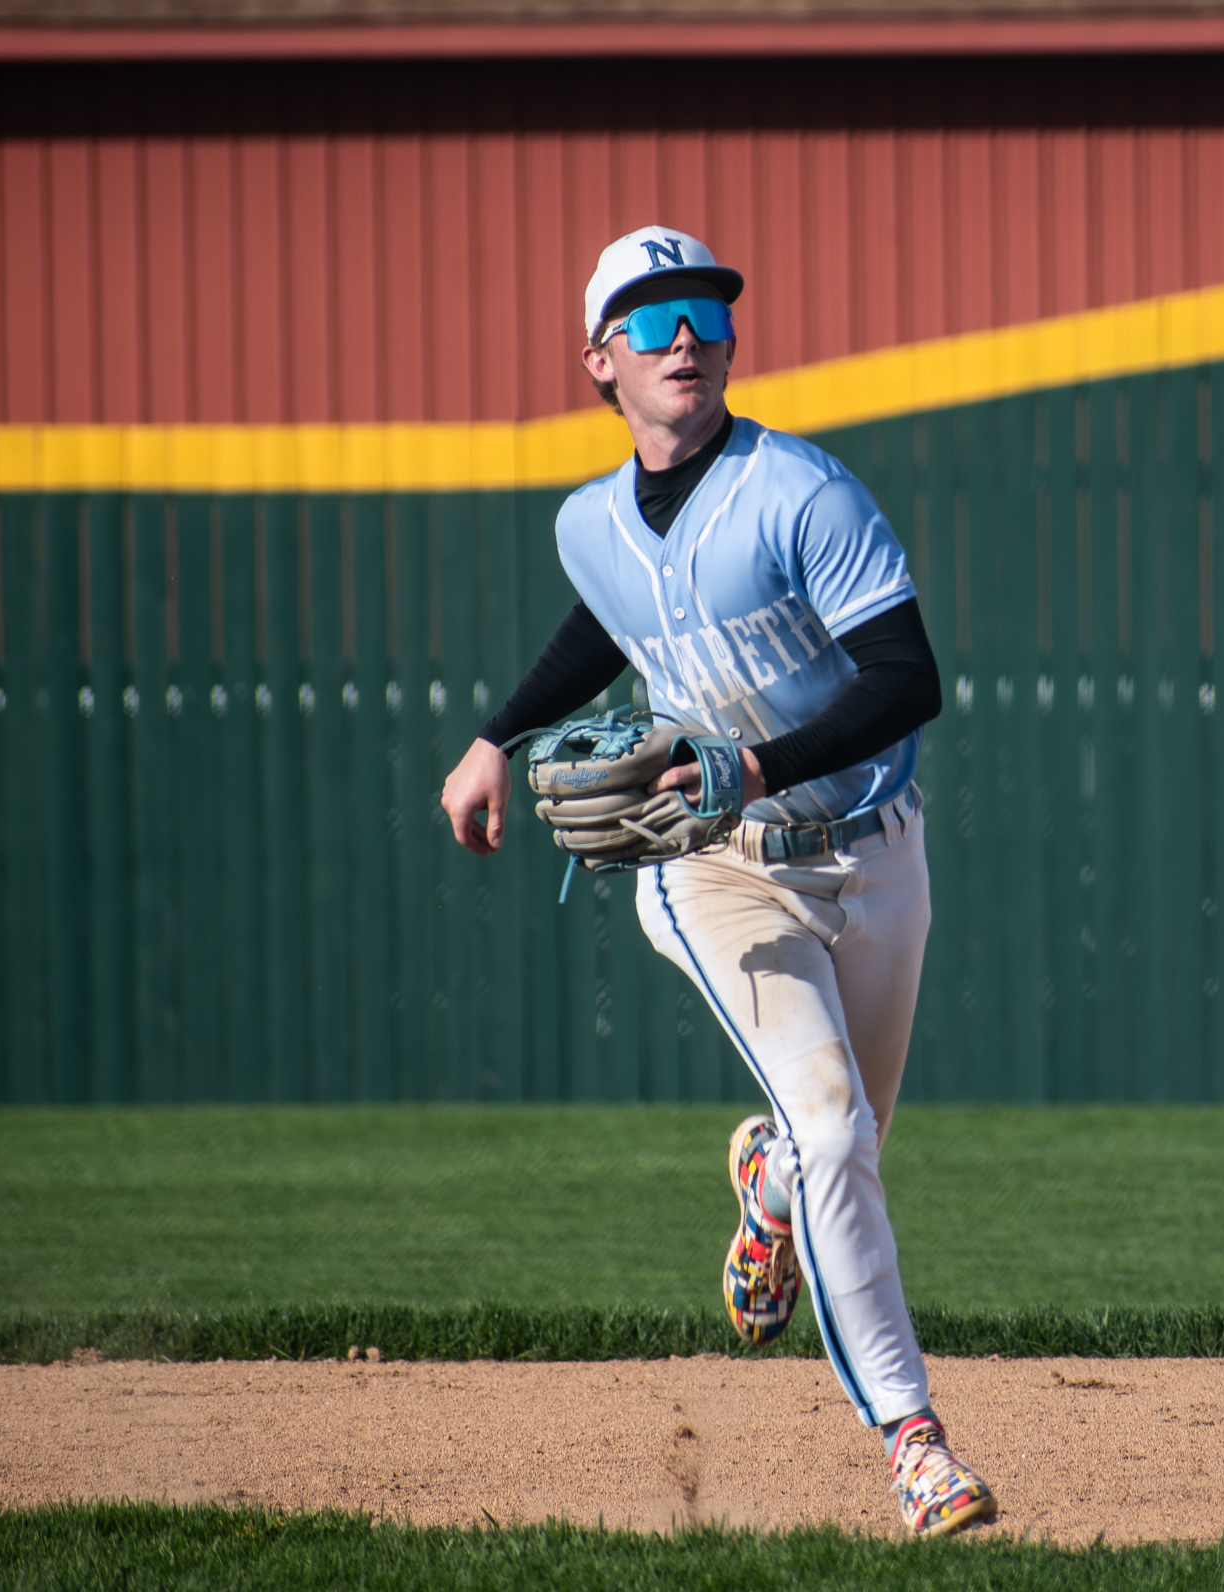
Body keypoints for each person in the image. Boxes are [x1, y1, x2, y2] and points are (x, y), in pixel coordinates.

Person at [438, 226, 998, 1537]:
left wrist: (756, 759)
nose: (682, 333)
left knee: (838, 1150)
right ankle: (917, 1445)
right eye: (648, 317)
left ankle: (766, 1190)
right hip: (717, 864)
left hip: (876, 847)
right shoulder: (587, 523)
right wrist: (491, 740)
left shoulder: (805, 491)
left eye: (702, 309)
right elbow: (606, 619)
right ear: (598, 361)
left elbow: (909, 680)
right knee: (837, 1132)